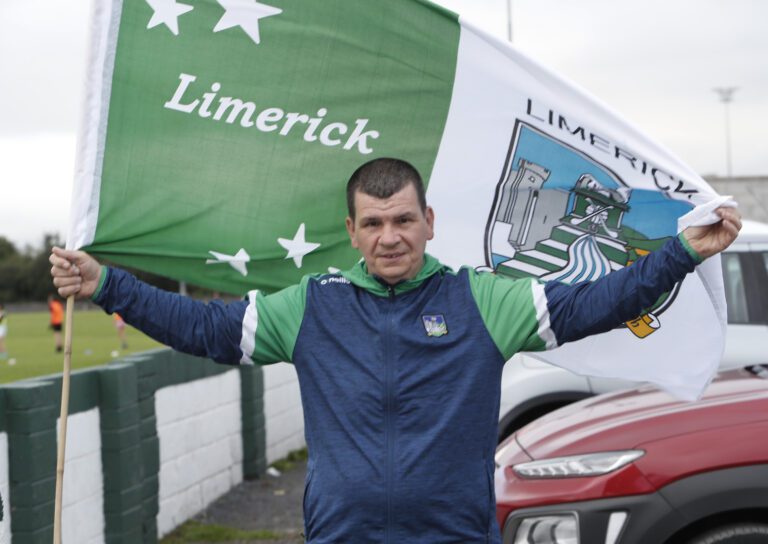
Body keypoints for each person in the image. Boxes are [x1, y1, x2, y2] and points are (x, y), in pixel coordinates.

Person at [50, 158, 741, 543]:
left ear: (428, 222)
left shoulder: (483, 299)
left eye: (404, 220)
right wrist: (108, 284)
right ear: (352, 231)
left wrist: (680, 250)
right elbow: (205, 329)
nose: (390, 237)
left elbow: (595, 304)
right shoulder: (312, 305)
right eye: (374, 223)